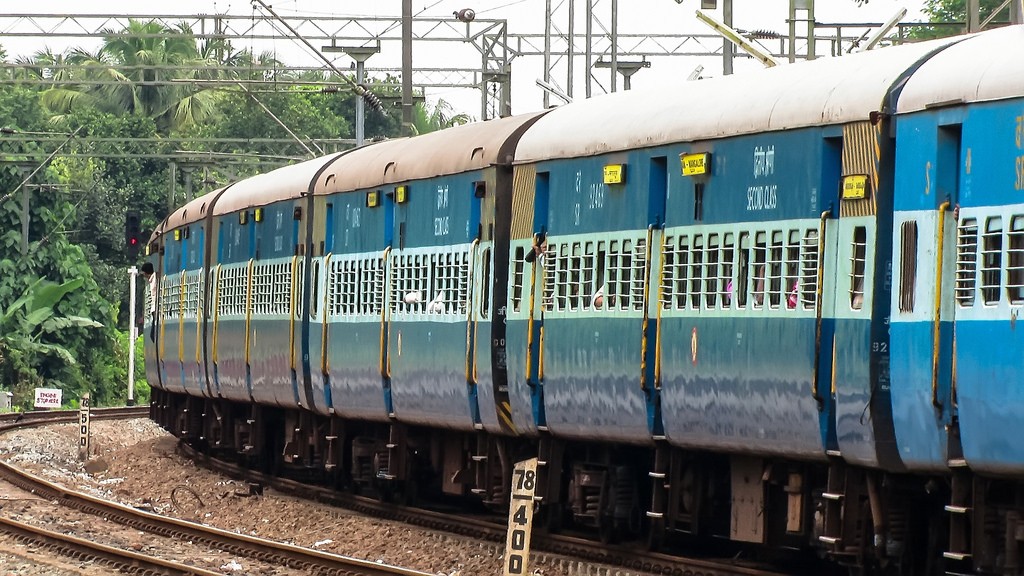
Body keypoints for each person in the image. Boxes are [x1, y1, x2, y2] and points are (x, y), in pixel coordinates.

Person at [141, 262, 157, 341]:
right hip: (154, 307)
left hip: (155, 307)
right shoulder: (152, 280)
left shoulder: (154, 280)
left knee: (153, 334)